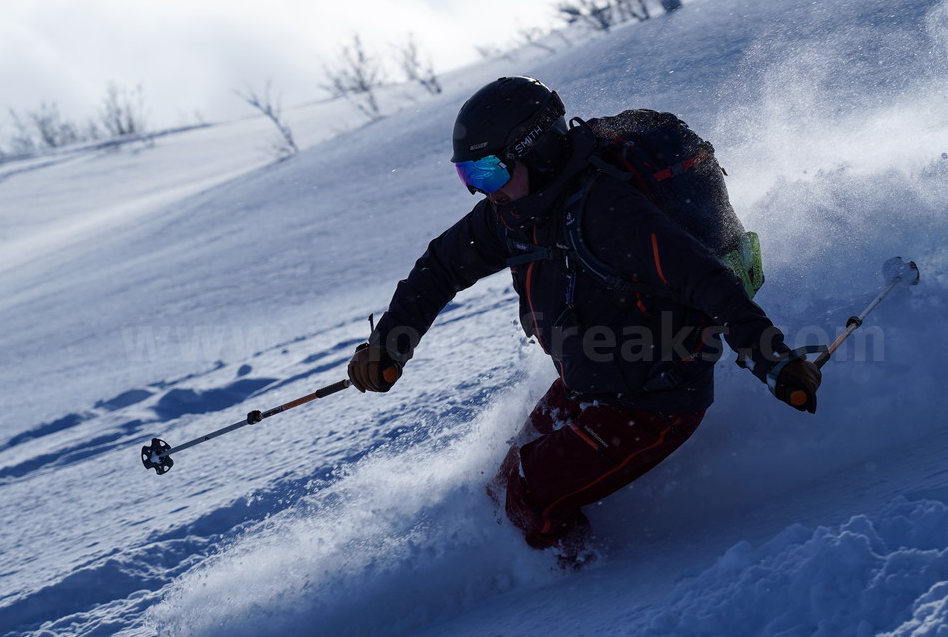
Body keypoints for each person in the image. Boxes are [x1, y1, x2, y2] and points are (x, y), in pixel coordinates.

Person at [348, 76, 820, 556]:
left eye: (489, 172)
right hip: (590, 384)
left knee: (527, 498)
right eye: (468, 177)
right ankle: (551, 575)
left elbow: (706, 281)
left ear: (536, 151)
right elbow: (439, 268)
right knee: (502, 490)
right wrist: (390, 344)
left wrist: (774, 360)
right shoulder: (512, 215)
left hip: (654, 399)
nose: (481, 191)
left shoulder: (610, 213)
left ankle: (580, 598)